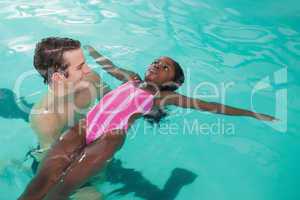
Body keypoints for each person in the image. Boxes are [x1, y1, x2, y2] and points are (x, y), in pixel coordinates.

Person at [19, 46, 275, 200]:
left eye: (165, 67)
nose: (156, 64)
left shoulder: (163, 96)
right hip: (84, 127)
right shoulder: (130, 78)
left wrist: (252, 113)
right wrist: (89, 51)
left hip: (110, 137)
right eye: (156, 61)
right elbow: (109, 66)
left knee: (65, 187)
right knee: (43, 178)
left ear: (171, 81)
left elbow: (211, 106)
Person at [27, 38, 109, 199]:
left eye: (84, 63)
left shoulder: (91, 79)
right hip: (54, 157)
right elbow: (53, 168)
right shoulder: (45, 118)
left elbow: (112, 104)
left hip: (87, 141)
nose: (88, 69)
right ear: (58, 78)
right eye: (80, 67)